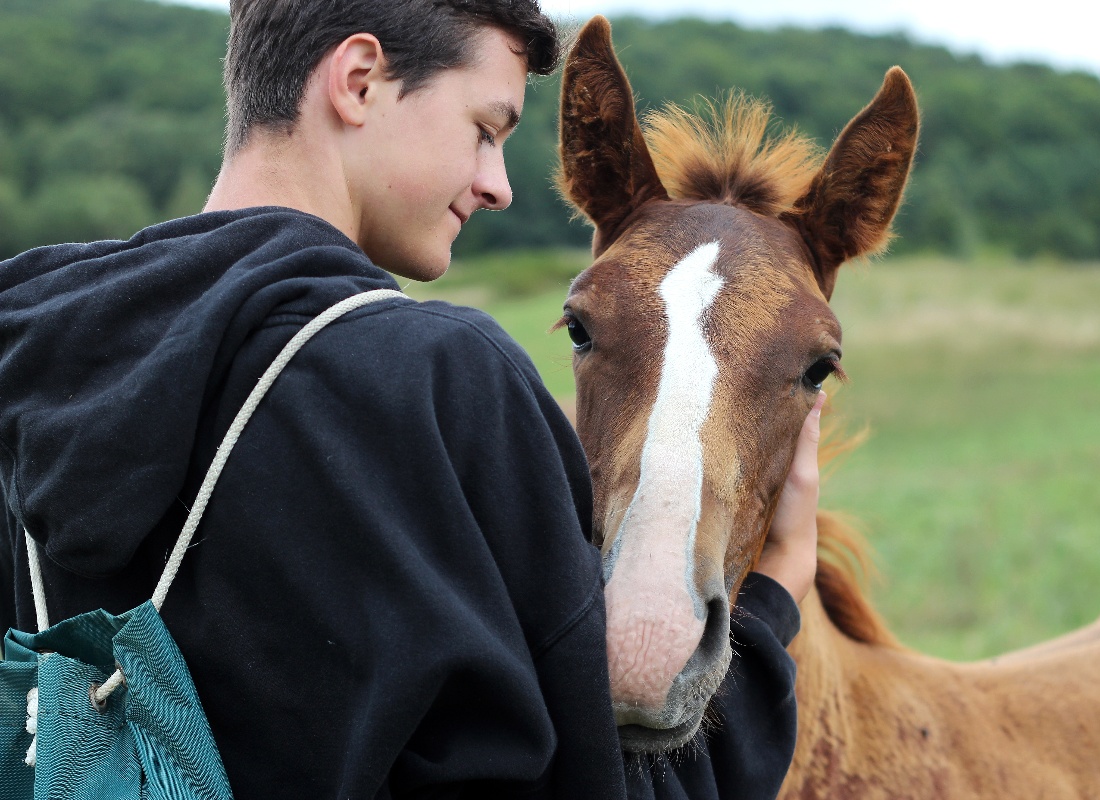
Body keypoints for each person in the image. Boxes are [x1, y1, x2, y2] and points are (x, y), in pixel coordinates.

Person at [0, 1, 823, 797]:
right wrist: (778, 592)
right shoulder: (442, 387)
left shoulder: (27, 341)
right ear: (358, 81)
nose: (498, 185)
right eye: (486, 131)